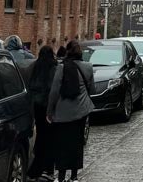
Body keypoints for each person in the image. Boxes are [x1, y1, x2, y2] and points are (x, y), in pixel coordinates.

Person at [47, 41, 94, 182]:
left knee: (62, 144)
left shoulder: (62, 68)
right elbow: (92, 89)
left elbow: (54, 91)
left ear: (68, 52)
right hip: (81, 111)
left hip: (63, 113)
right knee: (77, 143)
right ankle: (74, 176)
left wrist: (50, 111)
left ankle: (61, 177)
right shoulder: (88, 67)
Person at [26, 46, 57, 180]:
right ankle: (47, 168)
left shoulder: (35, 67)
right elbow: (53, 88)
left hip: (37, 106)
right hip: (48, 106)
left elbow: (30, 86)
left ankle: (36, 168)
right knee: (50, 137)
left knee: (41, 135)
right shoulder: (54, 67)